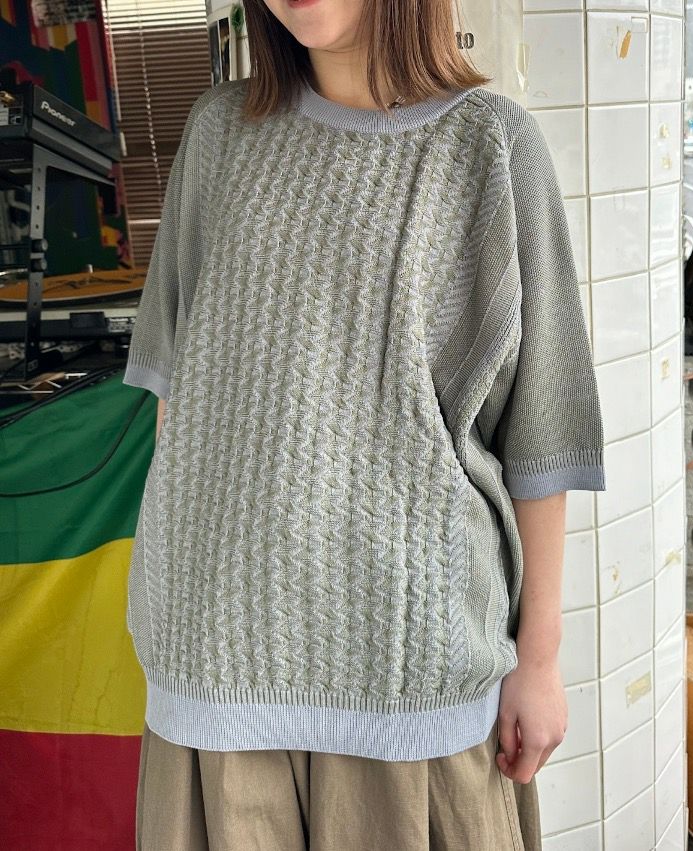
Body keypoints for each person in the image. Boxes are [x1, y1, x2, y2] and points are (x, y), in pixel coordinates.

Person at [122, 0, 607, 848]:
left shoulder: (489, 146)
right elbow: (179, 393)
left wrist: (538, 660)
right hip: (214, 656)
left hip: (410, 663)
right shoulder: (217, 133)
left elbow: (542, 433)